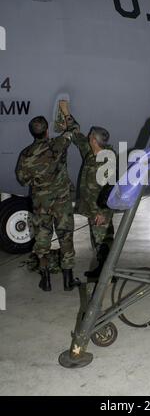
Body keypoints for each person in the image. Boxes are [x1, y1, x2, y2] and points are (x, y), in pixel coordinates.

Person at [16, 102, 80, 292]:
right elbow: (74, 129)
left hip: (40, 206)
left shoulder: (26, 155)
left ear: (33, 133)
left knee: (42, 242)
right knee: (66, 239)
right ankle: (68, 280)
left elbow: (22, 181)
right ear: (46, 132)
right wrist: (66, 112)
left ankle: (46, 280)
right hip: (62, 204)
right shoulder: (58, 144)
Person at [70, 118, 115, 279]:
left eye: (90, 136)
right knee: (99, 241)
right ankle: (104, 271)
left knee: (103, 241)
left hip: (101, 211)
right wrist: (67, 113)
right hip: (93, 209)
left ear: (95, 140)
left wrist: (101, 212)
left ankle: (107, 274)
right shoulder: (91, 153)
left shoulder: (107, 161)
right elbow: (78, 137)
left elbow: (108, 191)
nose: (88, 137)